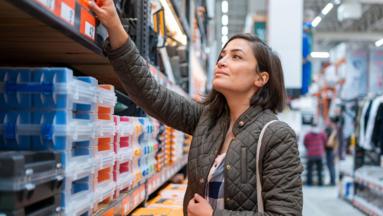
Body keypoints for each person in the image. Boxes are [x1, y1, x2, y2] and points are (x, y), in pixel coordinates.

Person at [88, 1, 303, 215]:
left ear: (261, 78)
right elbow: (151, 93)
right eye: (222, 56)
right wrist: (115, 27)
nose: (221, 62)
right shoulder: (208, 120)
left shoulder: (277, 136)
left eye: (236, 57)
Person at [304, 122, 327, 186]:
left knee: (310, 170)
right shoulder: (322, 134)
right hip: (319, 154)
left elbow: (305, 143)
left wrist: (309, 148)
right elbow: (325, 142)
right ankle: (320, 183)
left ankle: (309, 182)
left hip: (311, 154)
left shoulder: (307, 134)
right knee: (319, 170)